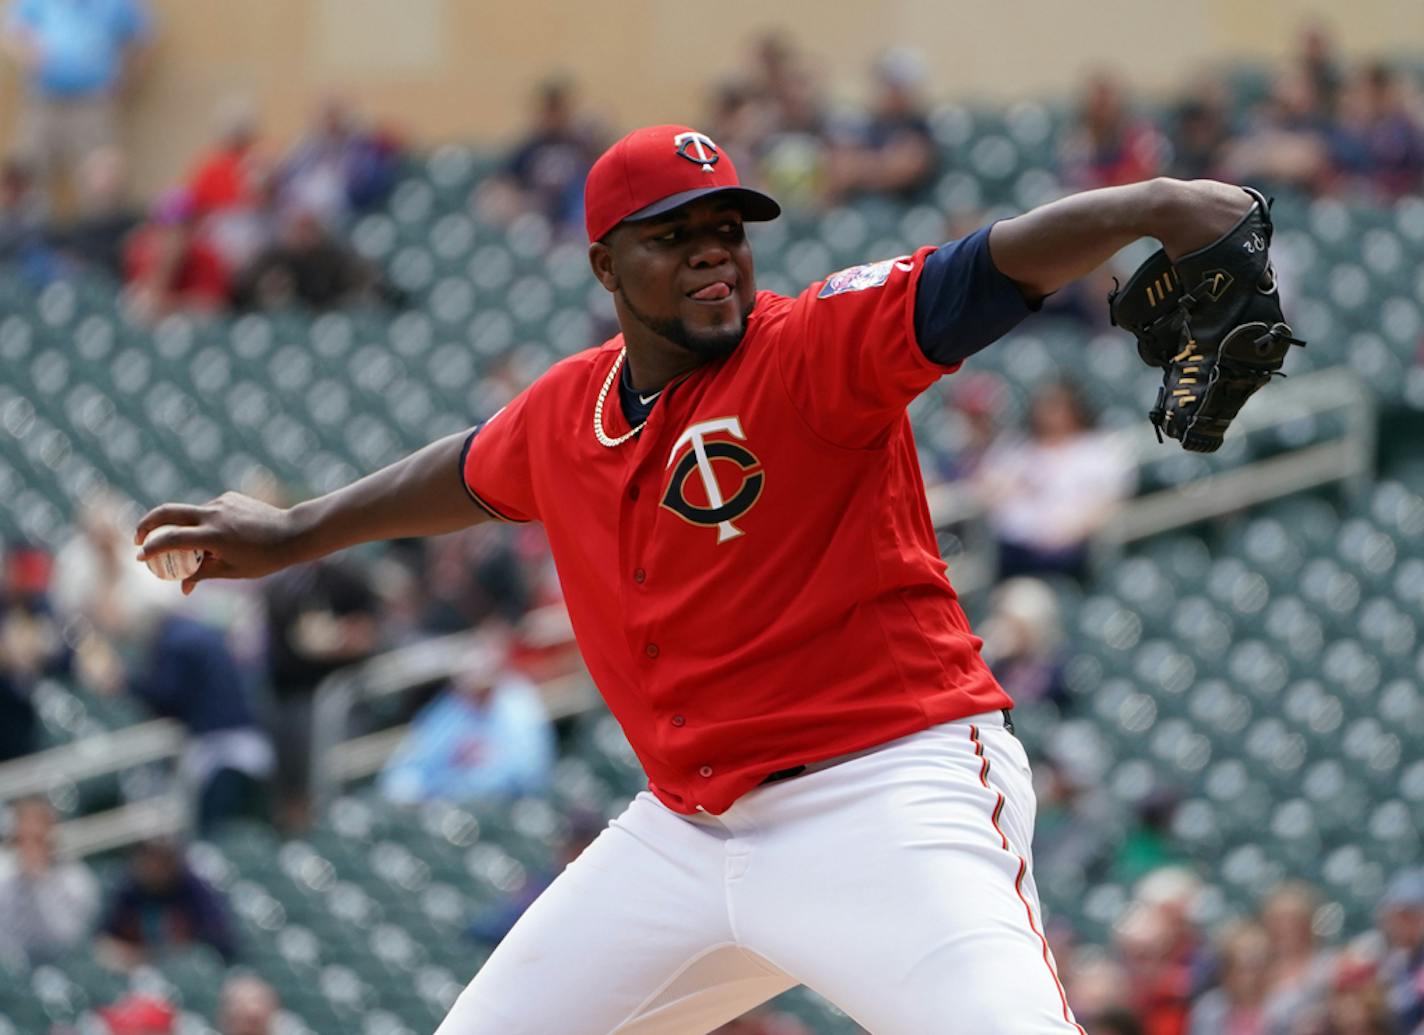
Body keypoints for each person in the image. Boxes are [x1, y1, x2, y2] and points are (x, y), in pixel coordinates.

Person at [135, 122, 1266, 1033]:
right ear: (603, 264)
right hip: (684, 832)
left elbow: (982, 269)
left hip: (882, 799)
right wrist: (293, 532)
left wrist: (1155, 206)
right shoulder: (566, 406)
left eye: (726, 228)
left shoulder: (813, 348)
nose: (712, 251)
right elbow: (465, 473)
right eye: (673, 236)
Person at [977, 380, 1135, 581]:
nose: (1049, 413)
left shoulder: (1096, 450)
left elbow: (1111, 500)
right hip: (1014, 551)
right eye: (1044, 405)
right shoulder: (1017, 448)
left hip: (1072, 552)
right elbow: (988, 488)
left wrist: (1071, 530)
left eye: (1057, 406)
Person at [1, 0, 154, 204]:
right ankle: (27, 230)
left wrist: (128, 77)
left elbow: (141, 36)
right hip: (44, 99)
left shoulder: (117, 4)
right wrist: (27, 53)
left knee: (101, 172)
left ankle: (100, 228)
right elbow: (10, 31)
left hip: (94, 101)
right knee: (30, 167)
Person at [378, 633, 555, 805]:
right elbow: (406, 767)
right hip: (448, 807)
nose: (473, 691)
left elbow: (528, 771)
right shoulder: (451, 708)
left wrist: (457, 790)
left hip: (506, 806)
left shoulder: (517, 703)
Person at [96, 837, 237, 967]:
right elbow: (104, 940)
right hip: (135, 971)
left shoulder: (194, 891)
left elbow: (217, 942)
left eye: (159, 859)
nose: (152, 866)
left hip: (184, 970)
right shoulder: (128, 891)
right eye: (147, 857)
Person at [0, 797, 100, 965]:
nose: (30, 847)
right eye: (23, 838)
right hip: (10, 970)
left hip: (62, 965)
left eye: (38, 839)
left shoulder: (76, 879)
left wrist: (40, 884)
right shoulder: (2, 875)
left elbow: (69, 940)